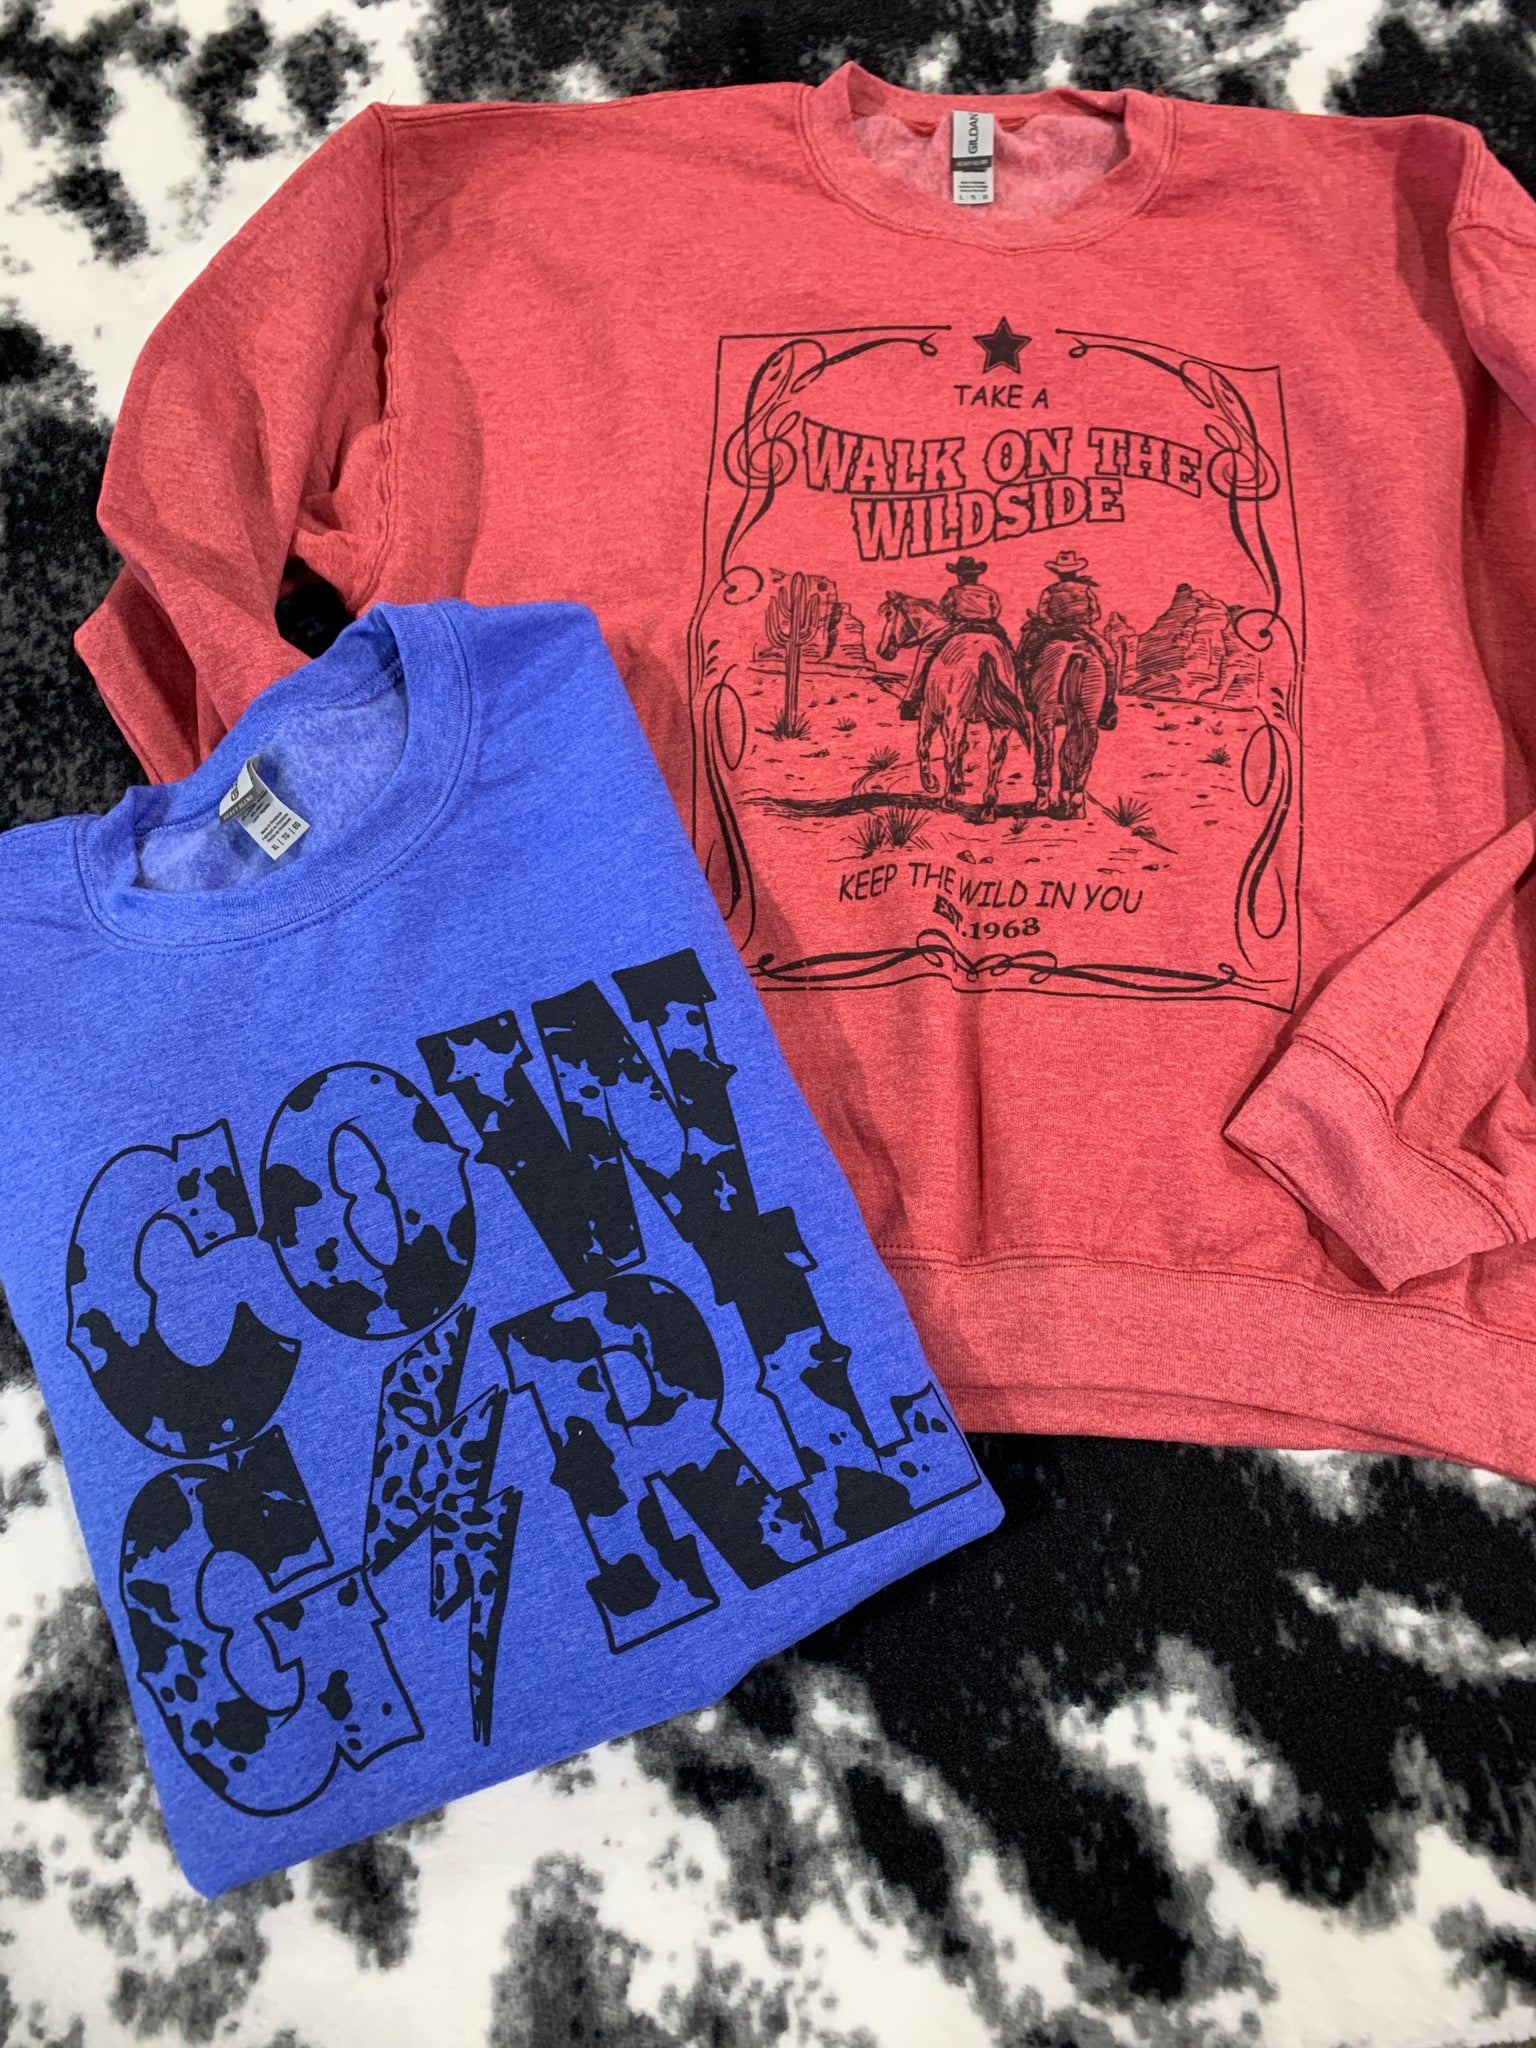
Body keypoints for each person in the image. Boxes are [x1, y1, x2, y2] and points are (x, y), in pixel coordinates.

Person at [899, 557, 1014, 720]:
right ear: (976, 575)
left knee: (926, 650)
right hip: (989, 627)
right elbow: (995, 612)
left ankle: (912, 699)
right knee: (1010, 654)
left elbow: (945, 612)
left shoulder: (953, 592)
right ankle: (1018, 696)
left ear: (959, 576)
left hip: (960, 626)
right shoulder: (989, 592)